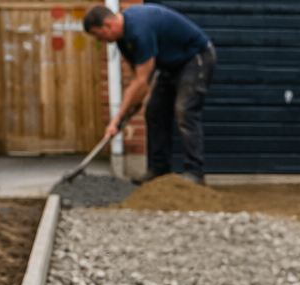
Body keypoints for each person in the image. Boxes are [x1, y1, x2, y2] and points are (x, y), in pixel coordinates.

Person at [84, 4, 215, 185]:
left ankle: (195, 173)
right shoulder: (122, 39)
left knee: (184, 110)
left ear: (108, 25)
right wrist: (126, 115)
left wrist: (116, 119)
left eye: (99, 35)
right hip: (170, 66)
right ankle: (159, 171)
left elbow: (141, 82)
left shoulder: (139, 30)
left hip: (195, 58)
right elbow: (138, 82)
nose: (102, 41)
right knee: (154, 110)